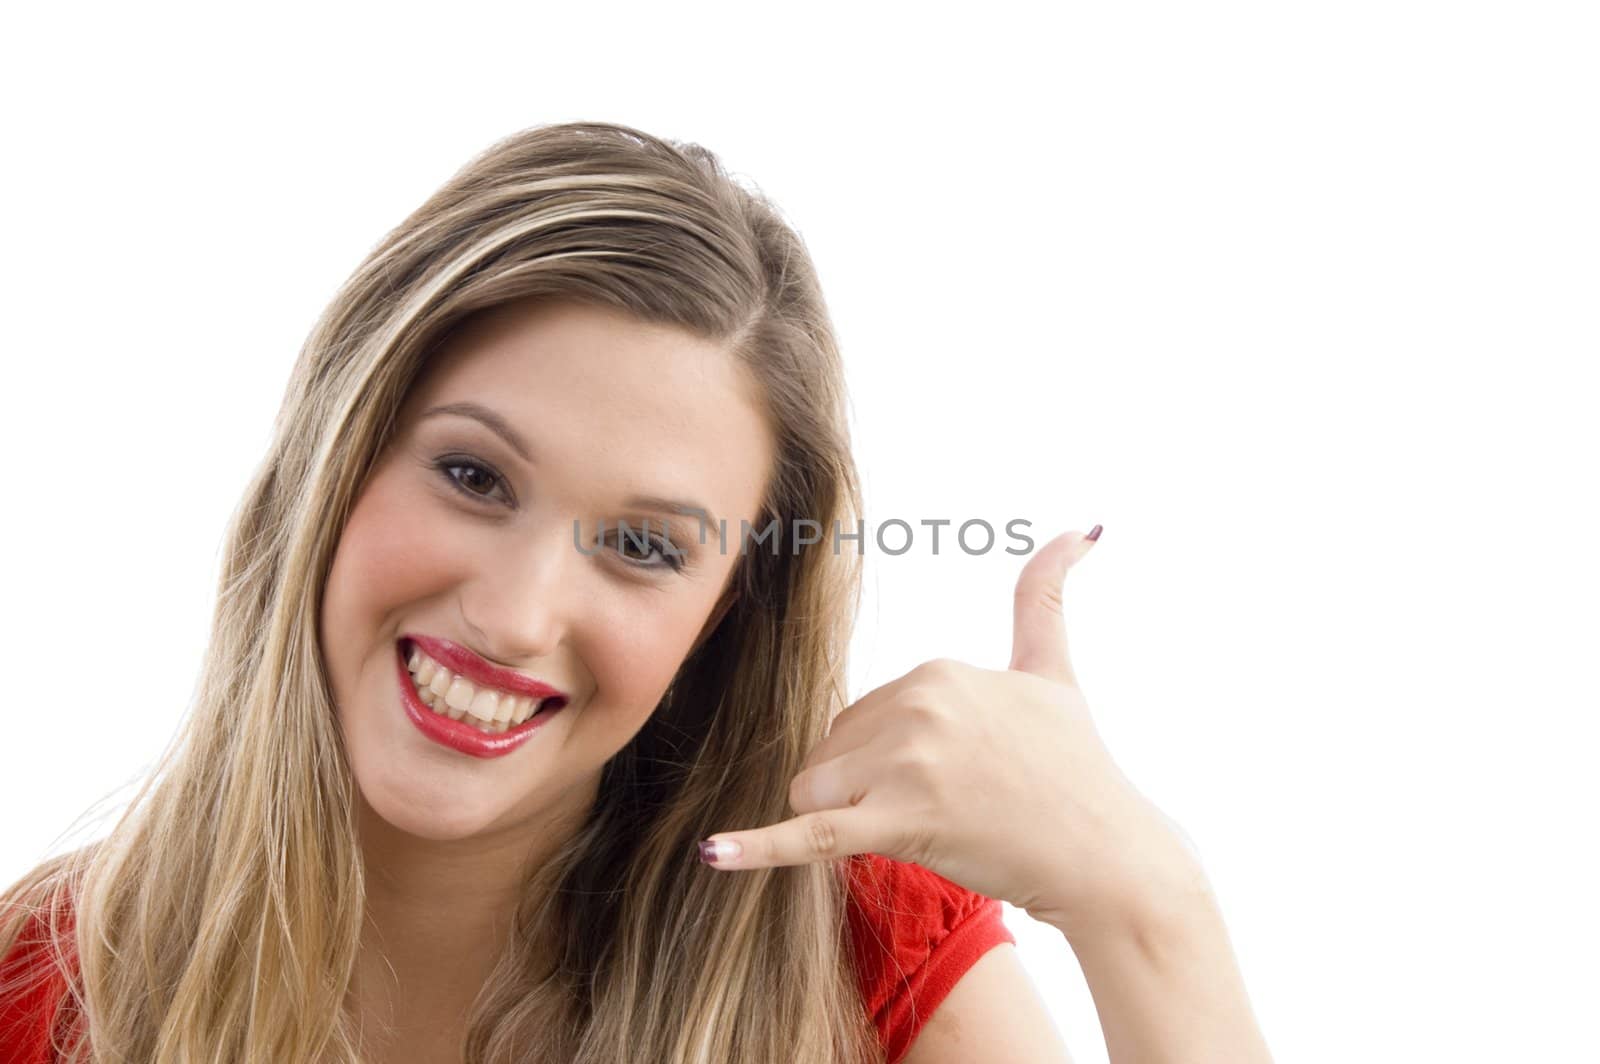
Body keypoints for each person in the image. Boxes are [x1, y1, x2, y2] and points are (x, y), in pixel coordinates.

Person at [0, 121, 1271, 1063]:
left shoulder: (861, 958)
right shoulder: (36, 985)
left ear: (728, 617)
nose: (511, 613)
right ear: (336, 458)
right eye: (470, 474)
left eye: (646, 547)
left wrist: (1142, 895)